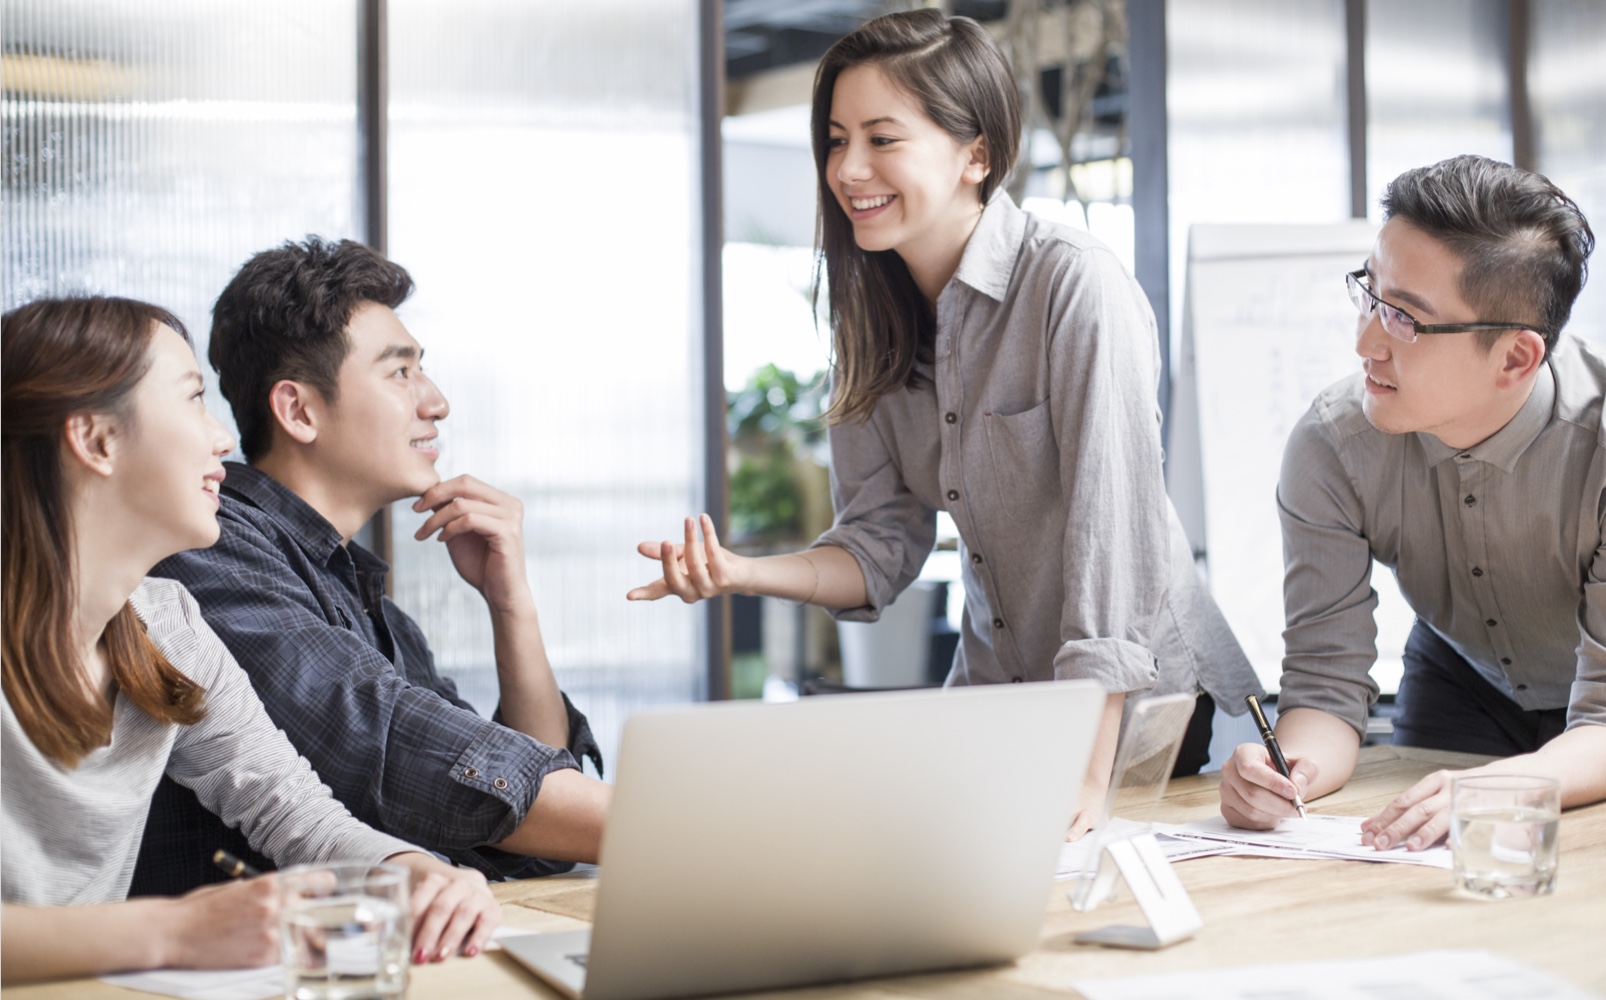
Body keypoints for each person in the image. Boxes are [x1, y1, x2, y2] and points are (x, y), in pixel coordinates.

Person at [629, 9, 1261, 833]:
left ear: (977, 154)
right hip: (1005, 704)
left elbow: (1114, 544)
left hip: (1150, 717)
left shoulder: (1074, 289)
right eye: (835, 138)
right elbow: (881, 543)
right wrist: (742, 574)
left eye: (883, 139)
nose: (849, 168)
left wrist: (1083, 773)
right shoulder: (871, 320)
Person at [0, 297, 500, 985]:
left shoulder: (168, 625)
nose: (223, 440)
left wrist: (415, 876)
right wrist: (176, 929)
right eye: (192, 400)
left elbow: (296, 814)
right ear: (96, 441)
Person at [131, 238, 610, 895]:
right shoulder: (208, 556)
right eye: (401, 372)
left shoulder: (371, 608)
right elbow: (385, 744)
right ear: (299, 410)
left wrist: (511, 606)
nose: (435, 401)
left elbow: (526, 836)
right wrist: (674, 826)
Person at [1218, 155, 1606, 848]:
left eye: (1404, 319)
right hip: (1461, 676)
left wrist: (1519, 781)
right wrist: (1290, 774)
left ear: (1516, 359)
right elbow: (1325, 679)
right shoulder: (1332, 444)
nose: (1365, 341)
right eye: (1370, 293)